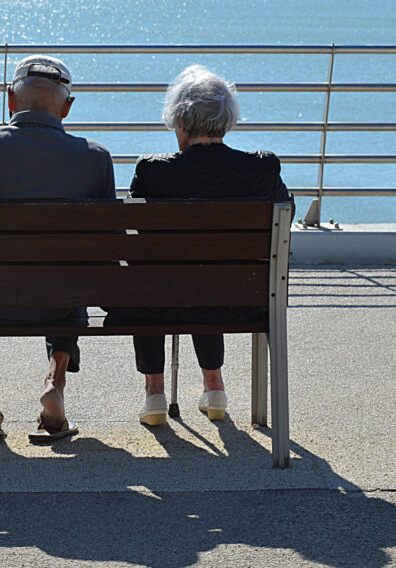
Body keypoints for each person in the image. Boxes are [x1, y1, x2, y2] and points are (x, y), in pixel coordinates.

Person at [0, 55, 115, 442]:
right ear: (67, 107)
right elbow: (106, 250)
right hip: (58, 303)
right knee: (75, 281)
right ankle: (55, 385)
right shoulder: (96, 158)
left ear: (10, 101)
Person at [112, 64, 292, 426]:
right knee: (208, 279)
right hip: (241, 301)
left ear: (180, 122)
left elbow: (133, 240)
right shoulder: (261, 169)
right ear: (227, 122)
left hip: (160, 305)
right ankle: (214, 387)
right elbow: (284, 221)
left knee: (154, 282)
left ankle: (155, 394)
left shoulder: (153, 171)